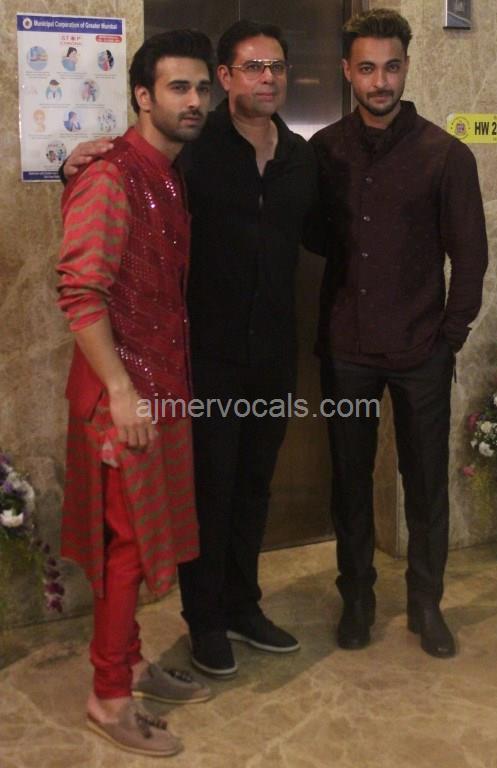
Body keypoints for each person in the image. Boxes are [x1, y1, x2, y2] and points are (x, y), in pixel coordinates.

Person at [62, 20, 318, 679]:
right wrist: (74, 165)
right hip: (201, 362)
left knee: (255, 487)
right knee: (209, 494)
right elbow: (100, 239)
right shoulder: (196, 151)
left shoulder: (300, 156)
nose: (267, 78)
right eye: (251, 67)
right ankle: (204, 621)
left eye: (277, 67)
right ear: (228, 79)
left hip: (271, 357)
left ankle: (243, 606)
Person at [308, 8, 488, 658]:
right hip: (347, 353)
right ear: (346, 71)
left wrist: (448, 339)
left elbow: (470, 256)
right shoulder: (323, 151)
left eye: (391, 67)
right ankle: (357, 599)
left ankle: (426, 605)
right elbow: (309, 233)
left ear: (407, 67)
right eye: (367, 68)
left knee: (426, 484)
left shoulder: (446, 154)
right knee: (350, 482)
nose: (380, 81)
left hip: (421, 353)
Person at [56, 30, 214, 756]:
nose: (194, 100)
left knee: (142, 542)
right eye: (178, 87)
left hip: (160, 388)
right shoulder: (112, 176)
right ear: (143, 96)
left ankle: (130, 662)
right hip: (125, 398)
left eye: (201, 88)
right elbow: (80, 291)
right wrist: (121, 392)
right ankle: (109, 696)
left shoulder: (166, 173)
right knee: (126, 550)